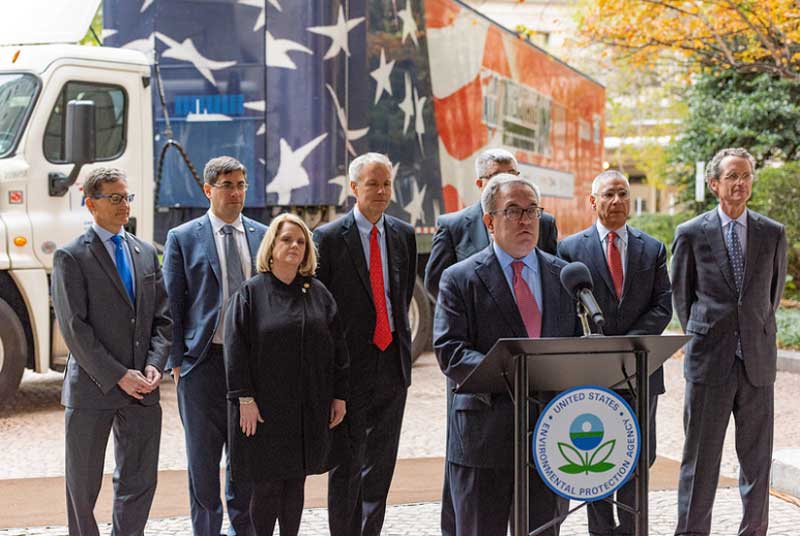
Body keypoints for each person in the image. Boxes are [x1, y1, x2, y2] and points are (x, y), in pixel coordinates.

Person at [424, 147, 559, 536]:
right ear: (489, 220)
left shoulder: (564, 276)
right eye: (513, 211)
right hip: (485, 433)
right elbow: (450, 350)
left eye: (532, 210)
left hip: (548, 436)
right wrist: (516, 372)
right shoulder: (459, 278)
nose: (525, 219)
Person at [672, 148, 787, 536]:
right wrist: (705, 335)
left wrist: (750, 331)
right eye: (732, 177)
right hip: (709, 362)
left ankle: (754, 531)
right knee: (700, 461)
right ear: (714, 183)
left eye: (746, 176)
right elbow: (682, 298)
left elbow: (770, 297)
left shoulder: (772, 233)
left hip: (756, 362)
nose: (740, 184)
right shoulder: (690, 233)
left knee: (757, 461)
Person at [51, 167, 172, 536]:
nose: (124, 205)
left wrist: (154, 366)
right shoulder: (71, 256)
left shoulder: (146, 252)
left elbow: (163, 319)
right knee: (83, 486)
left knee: (139, 480)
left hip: (143, 390)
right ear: (91, 203)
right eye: (115, 198)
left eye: (127, 197)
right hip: (94, 388)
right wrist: (119, 375)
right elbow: (75, 329)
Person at [557, 170, 672, 536]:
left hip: (641, 368)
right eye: (609, 194)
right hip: (593, 373)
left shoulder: (652, 248)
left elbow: (663, 306)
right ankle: (601, 530)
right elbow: (564, 311)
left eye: (623, 194)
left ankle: (634, 529)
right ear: (593, 201)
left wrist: (627, 346)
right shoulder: (569, 250)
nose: (618, 201)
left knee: (639, 457)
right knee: (598, 456)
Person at [223, 213, 349, 536]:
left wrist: (339, 396)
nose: (294, 245)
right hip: (264, 410)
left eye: (300, 241)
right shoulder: (251, 293)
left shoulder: (319, 293)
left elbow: (339, 350)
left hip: (308, 407)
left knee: (296, 483)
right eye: (286, 239)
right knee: (266, 487)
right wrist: (244, 399)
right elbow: (235, 349)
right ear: (272, 245)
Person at [313, 152, 417, 536]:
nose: (381, 191)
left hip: (392, 364)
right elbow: (323, 311)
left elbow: (400, 295)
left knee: (381, 464)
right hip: (349, 370)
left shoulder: (403, 235)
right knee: (347, 463)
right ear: (354, 187)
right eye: (372, 183)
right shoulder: (327, 238)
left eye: (386, 183)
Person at [162, 156, 266, 536]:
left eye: (241, 185)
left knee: (245, 462)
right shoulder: (184, 237)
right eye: (228, 185)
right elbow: (172, 303)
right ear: (208, 190)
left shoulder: (261, 235)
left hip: (250, 368)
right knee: (202, 465)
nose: (236, 192)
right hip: (202, 364)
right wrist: (177, 361)